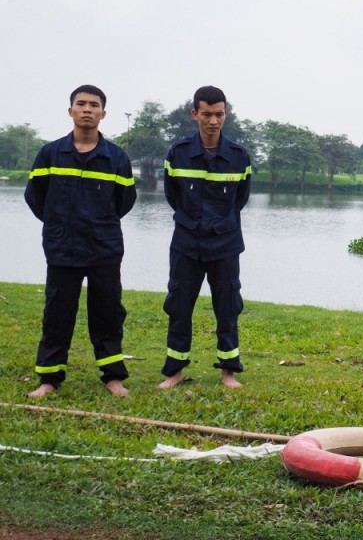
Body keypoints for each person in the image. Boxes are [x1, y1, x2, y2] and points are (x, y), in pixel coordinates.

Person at [24, 85, 137, 398]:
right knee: (57, 313)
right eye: (81, 103)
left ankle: (114, 377)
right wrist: (60, 223)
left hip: (104, 248)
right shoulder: (50, 154)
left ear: (103, 113)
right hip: (62, 248)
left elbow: (125, 201)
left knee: (108, 313)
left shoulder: (116, 158)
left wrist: (99, 224)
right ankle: (48, 379)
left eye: (94, 105)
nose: (87, 109)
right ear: (70, 110)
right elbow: (36, 198)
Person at [158, 86, 252, 389]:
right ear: (195, 114)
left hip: (225, 244)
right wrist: (193, 221)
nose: (214, 121)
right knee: (179, 306)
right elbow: (173, 196)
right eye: (207, 114)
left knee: (228, 307)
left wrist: (219, 223)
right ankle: (175, 371)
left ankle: (228, 371)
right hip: (186, 242)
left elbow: (241, 199)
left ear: (226, 114)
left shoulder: (239, 156)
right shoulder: (178, 153)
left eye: (219, 114)